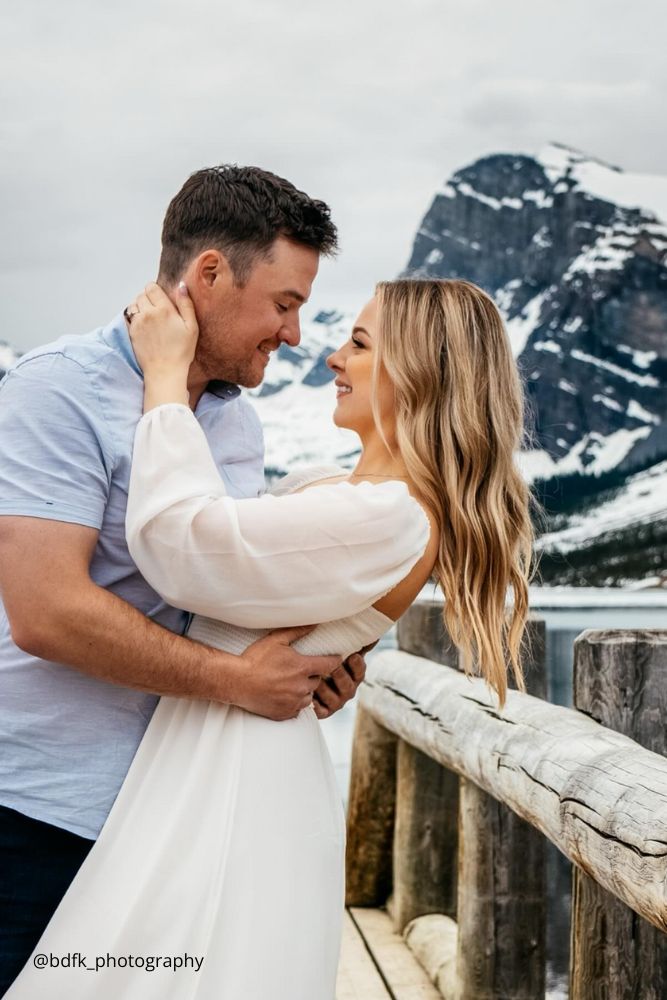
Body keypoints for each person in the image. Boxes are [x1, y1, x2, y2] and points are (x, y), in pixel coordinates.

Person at [3, 275, 534, 999]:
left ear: (419, 370)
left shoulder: (392, 515)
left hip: (233, 774)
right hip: (211, 754)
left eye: (357, 343)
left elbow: (180, 546)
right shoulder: (351, 495)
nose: (330, 358)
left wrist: (163, 375)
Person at [0, 165, 384, 997]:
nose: (292, 333)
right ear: (209, 274)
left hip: (172, 807)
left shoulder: (233, 420)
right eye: (283, 302)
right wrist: (240, 682)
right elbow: (44, 613)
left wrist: (312, 657)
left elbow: (215, 588)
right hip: (35, 817)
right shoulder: (55, 390)